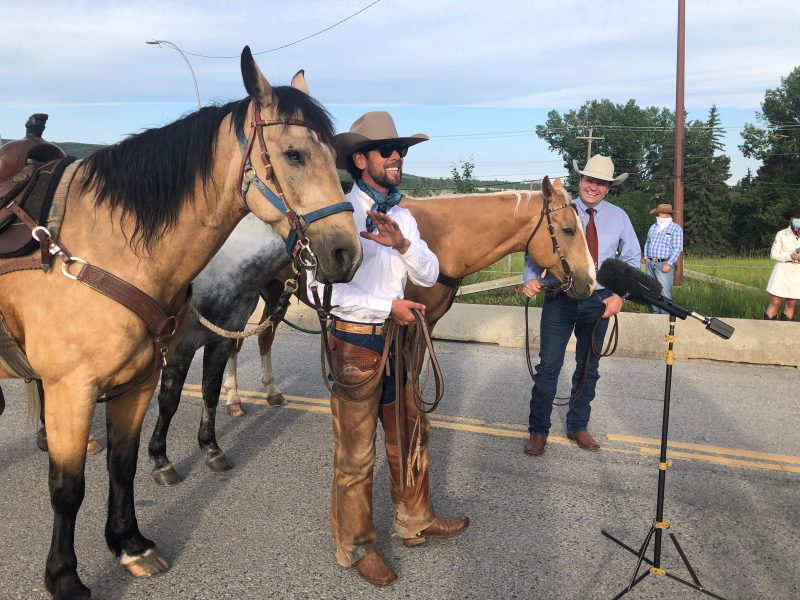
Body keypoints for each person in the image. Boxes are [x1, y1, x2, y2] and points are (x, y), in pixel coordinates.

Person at [318, 111, 469, 586]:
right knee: (356, 454)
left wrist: (402, 244)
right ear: (361, 159)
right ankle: (357, 546)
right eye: (387, 150)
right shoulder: (336, 215)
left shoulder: (402, 215)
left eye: (400, 150)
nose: (397, 157)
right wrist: (388, 307)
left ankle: (416, 520)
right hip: (356, 345)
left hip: (398, 343)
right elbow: (323, 292)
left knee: (410, 435)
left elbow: (428, 273)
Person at [522, 155, 641, 456]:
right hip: (559, 296)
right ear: (581, 181)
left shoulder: (620, 218)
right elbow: (533, 250)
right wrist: (531, 276)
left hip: (598, 301)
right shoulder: (561, 210)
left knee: (589, 367)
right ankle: (538, 431)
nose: (593, 187)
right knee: (549, 366)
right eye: (590, 180)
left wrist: (620, 297)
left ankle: (578, 425)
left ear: (608, 188)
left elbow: (631, 260)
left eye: (601, 183)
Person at [643, 203, 684, 314]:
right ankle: (655, 313)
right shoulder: (653, 227)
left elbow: (677, 248)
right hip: (651, 263)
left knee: (664, 292)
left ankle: (665, 315)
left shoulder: (675, 228)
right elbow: (647, 243)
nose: (657, 216)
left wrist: (669, 264)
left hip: (664, 263)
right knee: (651, 290)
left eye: (659, 214)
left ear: (666, 215)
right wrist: (646, 257)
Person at [763, 206, 800, 321]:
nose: (799, 220)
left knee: (791, 303)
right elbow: (773, 254)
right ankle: (768, 330)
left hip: (797, 273)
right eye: (796, 217)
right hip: (782, 271)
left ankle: (785, 333)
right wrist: (789, 256)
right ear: (790, 218)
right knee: (775, 301)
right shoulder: (781, 234)